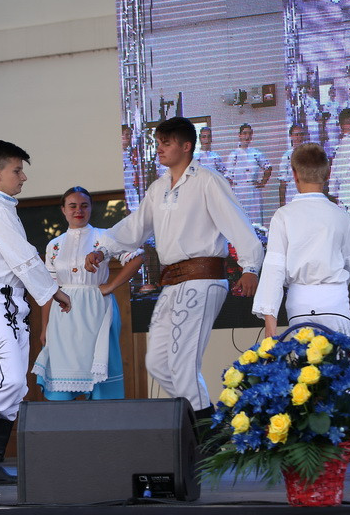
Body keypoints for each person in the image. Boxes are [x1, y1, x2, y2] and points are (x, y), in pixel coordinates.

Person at [87, 116, 263, 427]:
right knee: (157, 363)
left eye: (166, 143)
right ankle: (205, 422)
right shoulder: (158, 188)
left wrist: (250, 267)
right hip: (172, 282)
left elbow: (237, 222)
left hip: (203, 278)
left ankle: (205, 436)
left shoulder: (207, 180)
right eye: (158, 143)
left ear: (186, 146)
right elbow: (135, 226)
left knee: (183, 364)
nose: (159, 149)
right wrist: (103, 249)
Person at [0, 140, 71, 484]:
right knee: (8, 380)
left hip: (12, 301)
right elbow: (22, 256)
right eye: (17, 170)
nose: (23, 177)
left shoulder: (5, 209)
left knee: (15, 386)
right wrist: (52, 291)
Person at [32, 186, 143, 400]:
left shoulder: (105, 237)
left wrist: (111, 286)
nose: (78, 210)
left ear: (91, 208)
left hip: (96, 308)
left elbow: (137, 257)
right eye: (72, 206)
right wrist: (45, 326)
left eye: (84, 205)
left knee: (98, 371)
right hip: (63, 314)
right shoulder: (54, 245)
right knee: (63, 373)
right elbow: (50, 288)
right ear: (63, 209)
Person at [252, 143, 350, 339]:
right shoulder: (341, 215)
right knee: (340, 358)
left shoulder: (283, 216)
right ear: (328, 173)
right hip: (335, 301)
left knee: (305, 358)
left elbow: (274, 269)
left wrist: (270, 328)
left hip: (299, 304)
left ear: (294, 174)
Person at [328, 108, 350, 243]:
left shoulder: (339, 147)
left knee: (345, 231)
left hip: (341, 195)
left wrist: (333, 192)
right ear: (345, 125)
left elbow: (333, 175)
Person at [225, 122, 272, 225]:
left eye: (249, 133)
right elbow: (227, 176)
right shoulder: (234, 154)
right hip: (239, 192)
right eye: (244, 133)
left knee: (256, 222)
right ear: (239, 135)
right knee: (240, 221)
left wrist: (262, 183)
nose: (247, 136)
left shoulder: (256, 153)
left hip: (253, 191)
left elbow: (268, 168)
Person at [277, 124, 307, 205]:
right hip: (292, 193)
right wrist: (282, 203)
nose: (299, 137)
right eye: (296, 135)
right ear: (291, 136)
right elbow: (283, 181)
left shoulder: (310, 154)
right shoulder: (286, 156)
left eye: (301, 134)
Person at [121, 125, 140, 212]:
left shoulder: (129, 153)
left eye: (129, 135)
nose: (128, 137)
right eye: (125, 134)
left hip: (132, 192)